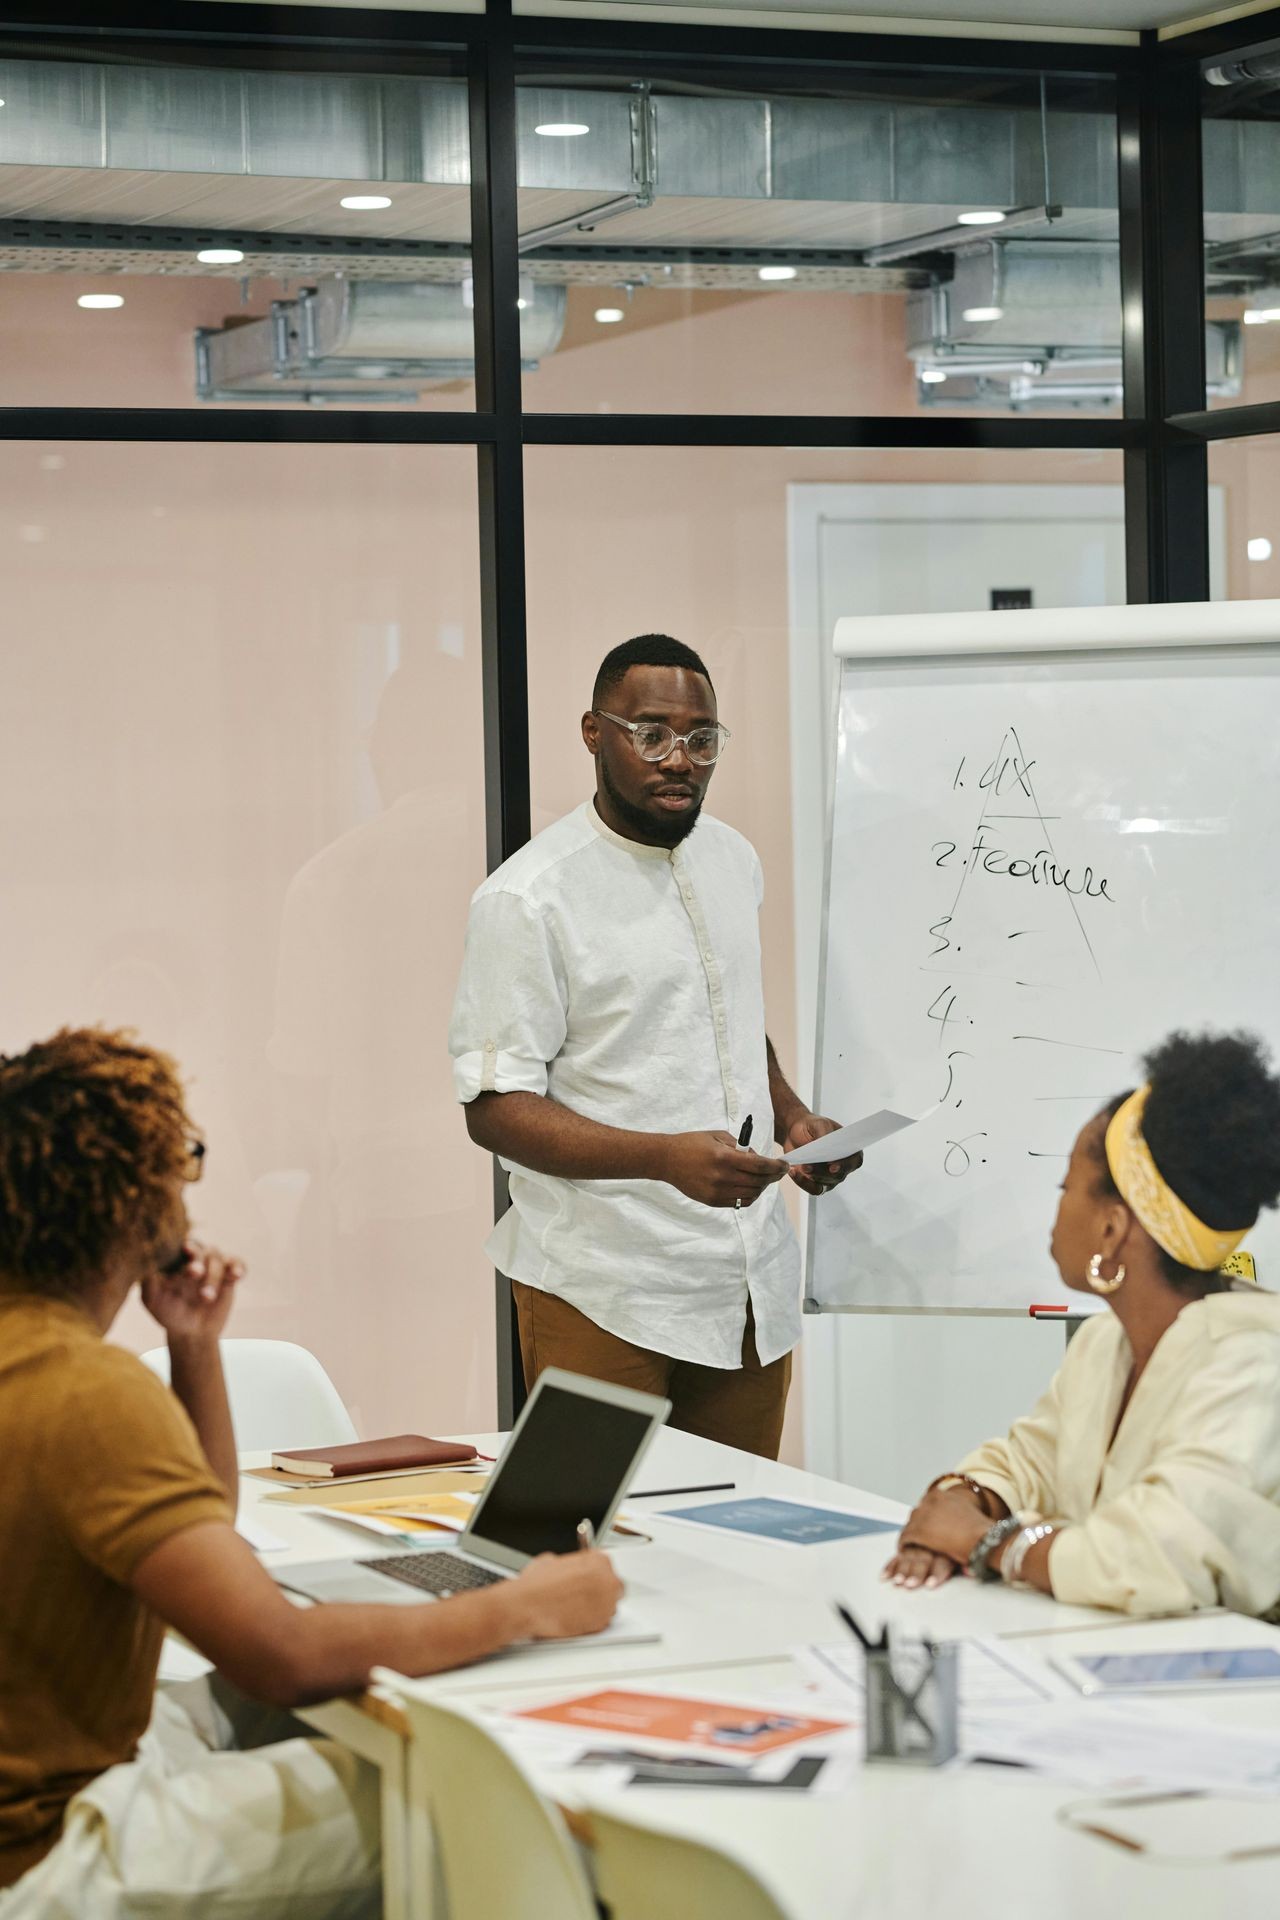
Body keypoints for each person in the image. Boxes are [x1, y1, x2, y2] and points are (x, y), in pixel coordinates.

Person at [0, 1027, 620, 1918]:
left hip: (53, 1776)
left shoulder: (41, 1357)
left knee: (318, 1725)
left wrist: (193, 1347)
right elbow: (279, 1658)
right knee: (463, 1791)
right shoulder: (85, 1391)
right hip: (50, 1856)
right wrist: (528, 1607)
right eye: (183, 1160)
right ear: (133, 1202)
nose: (189, 1184)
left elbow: (203, 1531)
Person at [449, 633, 858, 1460]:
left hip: (743, 1283)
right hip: (603, 1290)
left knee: (735, 1538)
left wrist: (793, 1117)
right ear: (595, 733)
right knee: (588, 1541)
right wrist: (663, 1158)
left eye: (701, 740)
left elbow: (728, 1015)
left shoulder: (733, 858)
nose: (680, 760)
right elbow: (495, 1112)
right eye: (652, 734)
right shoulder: (527, 900)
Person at [884, 1029, 1280, 1617]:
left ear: (1112, 1229)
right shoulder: (1107, 1341)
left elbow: (1148, 1560)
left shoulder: (1254, 1365)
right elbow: (1023, 1464)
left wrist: (982, 1541)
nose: (1058, 1205)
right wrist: (960, 1505)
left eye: (1067, 1186)